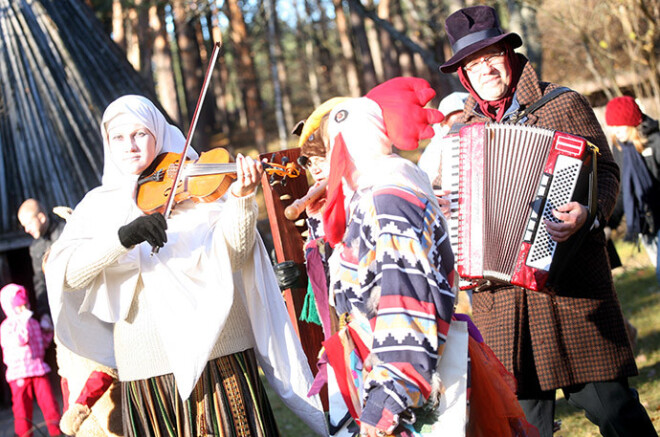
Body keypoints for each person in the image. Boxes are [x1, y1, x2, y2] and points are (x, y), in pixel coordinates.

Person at [44, 95, 326, 436]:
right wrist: (123, 238)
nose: (129, 146)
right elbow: (70, 276)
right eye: (118, 137)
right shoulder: (97, 206)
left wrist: (241, 199)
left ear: (159, 134)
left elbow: (236, 255)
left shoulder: (195, 184)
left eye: (140, 134)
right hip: (146, 369)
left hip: (220, 358)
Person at [439, 5, 657, 437]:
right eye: (472, 64)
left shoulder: (562, 103)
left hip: (571, 293)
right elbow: (452, 208)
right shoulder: (459, 135)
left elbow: (608, 173)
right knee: (521, 428)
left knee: (616, 414)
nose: (484, 69)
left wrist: (587, 212)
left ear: (509, 53)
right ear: (463, 74)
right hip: (500, 304)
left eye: (490, 57)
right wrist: (451, 214)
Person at [317, 77, 537, 437]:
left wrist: (389, 397)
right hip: (392, 367)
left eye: (330, 148)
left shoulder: (388, 201)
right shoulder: (384, 191)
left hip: (405, 380)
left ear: (348, 146)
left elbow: (405, 300)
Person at [604, 96, 660, 285]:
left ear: (631, 122)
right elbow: (621, 190)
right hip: (646, 225)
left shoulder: (655, 141)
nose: (615, 131)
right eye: (612, 126)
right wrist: (609, 224)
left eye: (619, 126)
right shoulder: (621, 147)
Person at [0, 283, 61, 437]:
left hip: (38, 368)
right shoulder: (7, 326)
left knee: (49, 403)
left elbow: (42, 343)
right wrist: (22, 322)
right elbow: (21, 340)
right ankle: (23, 434)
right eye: (19, 307)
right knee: (22, 407)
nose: (24, 310)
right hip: (19, 373)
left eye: (25, 305)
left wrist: (47, 331)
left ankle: (56, 431)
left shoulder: (33, 323)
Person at [17, 199, 65, 328]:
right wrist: (44, 313)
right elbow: (40, 281)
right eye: (24, 226)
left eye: (29, 224)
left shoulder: (66, 232)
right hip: (59, 312)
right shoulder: (35, 248)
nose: (26, 229)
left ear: (42, 217)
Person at [417, 91, 469, 187]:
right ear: (442, 124)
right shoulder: (431, 155)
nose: (458, 127)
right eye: (453, 125)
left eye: (464, 121)